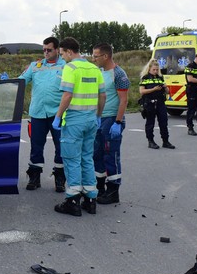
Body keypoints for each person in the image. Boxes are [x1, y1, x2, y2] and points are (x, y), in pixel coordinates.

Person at [52, 37, 105, 216]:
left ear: (69, 51)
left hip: (74, 120)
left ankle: (72, 200)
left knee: (71, 159)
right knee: (87, 157)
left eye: (62, 54)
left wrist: (58, 116)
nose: (62, 58)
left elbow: (67, 95)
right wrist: (98, 115)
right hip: (91, 120)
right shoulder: (94, 67)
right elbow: (102, 95)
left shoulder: (70, 68)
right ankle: (90, 199)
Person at [18, 37, 66, 192]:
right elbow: (22, 81)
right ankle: (34, 177)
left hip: (57, 113)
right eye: (44, 49)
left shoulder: (66, 66)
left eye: (49, 50)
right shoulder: (35, 66)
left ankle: (59, 178)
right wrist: (10, 82)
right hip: (38, 113)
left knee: (61, 147)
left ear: (57, 50)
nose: (46, 52)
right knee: (36, 147)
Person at [92, 43, 130, 205]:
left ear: (105, 56)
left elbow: (124, 100)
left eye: (96, 56)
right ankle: (100, 187)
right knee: (97, 154)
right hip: (99, 118)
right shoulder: (99, 72)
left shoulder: (119, 74)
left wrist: (118, 122)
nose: (93, 59)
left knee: (111, 155)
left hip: (112, 119)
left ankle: (113, 191)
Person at [139, 60, 175, 149]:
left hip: (160, 102)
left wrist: (165, 87)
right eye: (154, 69)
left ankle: (165, 141)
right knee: (150, 123)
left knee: (163, 122)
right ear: (149, 69)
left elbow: (167, 92)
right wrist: (153, 89)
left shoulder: (160, 77)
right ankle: (150, 141)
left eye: (157, 69)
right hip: (149, 103)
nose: (155, 71)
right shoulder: (145, 78)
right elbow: (142, 91)